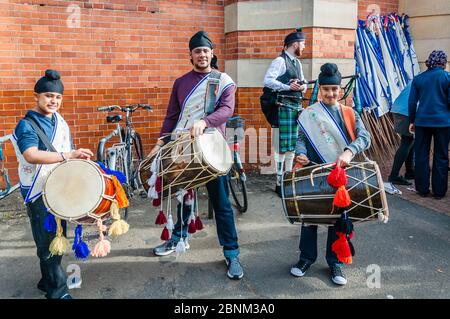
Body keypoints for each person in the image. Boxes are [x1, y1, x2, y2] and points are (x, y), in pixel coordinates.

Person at [149, 31, 244, 280]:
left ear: (212, 53)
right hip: (182, 146)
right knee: (182, 197)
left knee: (221, 204)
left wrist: (204, 120)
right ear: (190, 55)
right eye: (197, 51)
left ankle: (231, 252)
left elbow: (226, 110)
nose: (202, 55)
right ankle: (178, 238)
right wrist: (161, 142)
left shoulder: (223, 81)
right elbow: (172, 115)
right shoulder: (180, 82)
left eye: (205, 51)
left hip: (212, 150)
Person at [11, 69, 94, 299]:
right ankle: (56, 292)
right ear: (36, 96)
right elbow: (31, 154)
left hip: (59, 187)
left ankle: (46, 280)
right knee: (47, 243)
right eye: (48, 95)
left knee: (58, 237)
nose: (53, 101)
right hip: (38, 192)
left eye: (57, 97)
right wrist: (69, 155)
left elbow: (68, 149)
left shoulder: (60, 121)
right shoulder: (26, 125)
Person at [292, 63, 371, 285]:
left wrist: (349, 151)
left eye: (334, 89)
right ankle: (306, 258)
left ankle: (334, 261)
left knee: (338, 219)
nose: (330, 93)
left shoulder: (350, 113)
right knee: (310, 216)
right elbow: (301, 140)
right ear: (320, 89)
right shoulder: (309, 114)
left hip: (341, 174)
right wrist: (300, 154)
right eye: (326, 89)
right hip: (314, 170)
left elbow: (365, 138)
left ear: (341, 89)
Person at [262, 28, 307, 197]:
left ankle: (288, 180)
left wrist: (302, 86)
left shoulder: (297, 62)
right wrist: (288, 86)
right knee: (281, 147)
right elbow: (267, 81)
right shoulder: (279, 61)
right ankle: (279, 182)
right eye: (302, 44)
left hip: (295, 108)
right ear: (294, 44)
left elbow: (304, 83)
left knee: (292, 147)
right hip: (283, 107)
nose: (304, 48)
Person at [408, 50, 450, 199]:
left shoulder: (418, 79)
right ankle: (439, 192)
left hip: (422, 122)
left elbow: (412, 102)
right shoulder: (447, 77)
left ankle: (422, 189)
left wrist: (412, 121)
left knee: (421, 155)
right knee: (441, 155)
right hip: (443, 123)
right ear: (443, 62)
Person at [388, 82, 415, 185]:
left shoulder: (421, 76)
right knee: (407, 142)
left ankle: (410, 171)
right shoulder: (441, 77)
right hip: (406, 111)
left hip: (399, 108)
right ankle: (393, 176)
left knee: (411, 140)